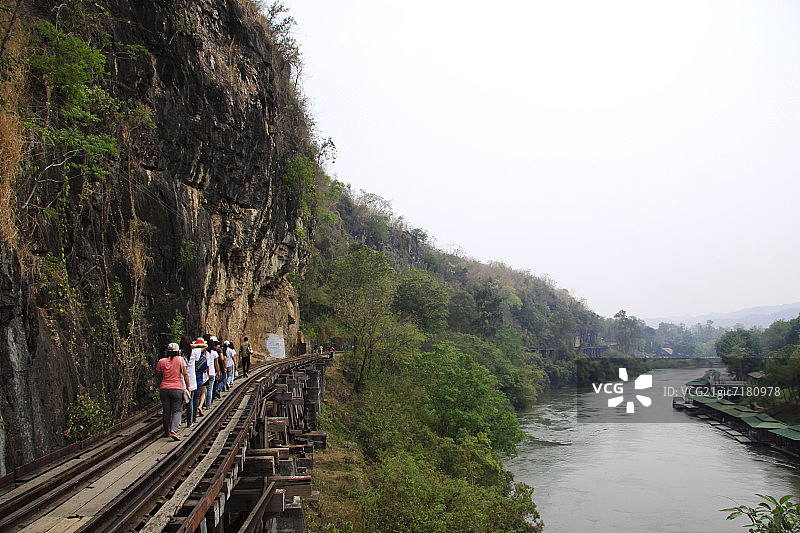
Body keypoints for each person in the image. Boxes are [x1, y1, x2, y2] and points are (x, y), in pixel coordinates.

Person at [155, 342, 190, 441]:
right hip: (177, 388)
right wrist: (188, 387)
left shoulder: (161, 361)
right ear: (177, 351)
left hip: (164, 389)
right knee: (177, 410)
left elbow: (157, 374)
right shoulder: (180, 360)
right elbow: (185, 373)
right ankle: (174, 429)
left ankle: (166, 432)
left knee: (166, 411)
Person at [179, 336, 197, 428]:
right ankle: (190, 422)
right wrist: (193, 346)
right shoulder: (194, 352)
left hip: (181, 381)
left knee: (179, 403)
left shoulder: (179, 353)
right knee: (190, 402)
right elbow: (204, 346)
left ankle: (178, 422)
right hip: (192, 381)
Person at [191, 337, 208, 420]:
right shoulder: (203, 359)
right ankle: (194, 417)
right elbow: (205, 370)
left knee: (190, 400)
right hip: (199, 380)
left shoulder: (190, 357)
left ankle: (190, 417)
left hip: (191, 380)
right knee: (196, 399)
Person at [205, 336, 219, 409]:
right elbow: (216, 364)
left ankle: (203, 403)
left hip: (206, 373)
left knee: (205, 390)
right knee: (210, 389)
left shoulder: (205, 353)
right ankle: (208, 405)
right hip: (212, 372)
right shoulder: (214, 353)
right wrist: (218, 372)